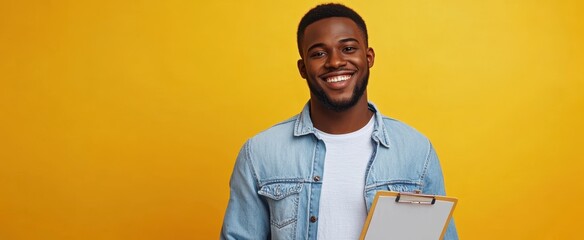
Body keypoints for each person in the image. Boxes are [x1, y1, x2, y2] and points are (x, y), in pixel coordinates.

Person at [221, 3, 458, 240]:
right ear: (303, 68)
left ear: (369, 57)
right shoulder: (260, 152)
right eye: (319, 53)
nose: (335, 62)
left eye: (348, 48)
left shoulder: (416, 150)